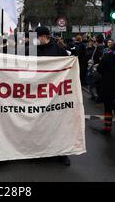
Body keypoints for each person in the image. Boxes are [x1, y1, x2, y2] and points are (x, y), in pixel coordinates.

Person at [34, 26, 70, 166]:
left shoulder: (58, 50)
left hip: (56, 92)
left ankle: (62, 153)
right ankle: (40, 150)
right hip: (38, 91)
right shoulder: (33, 50)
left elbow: (68, 66)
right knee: (40, 122)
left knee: (58, 123)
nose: (36, 40)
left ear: (44, 36)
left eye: (38, 37)